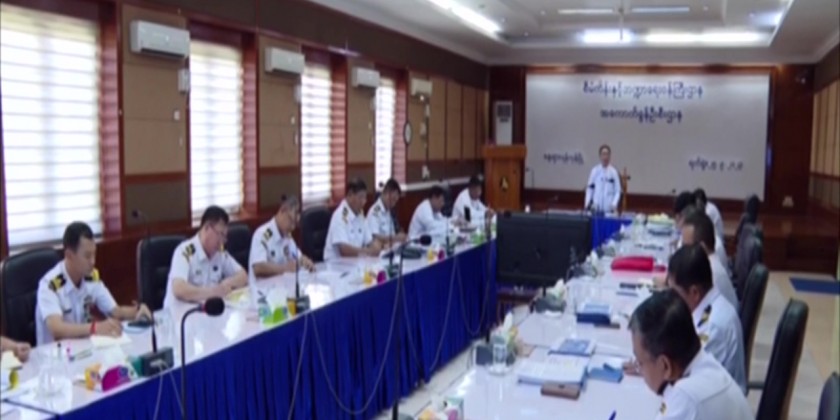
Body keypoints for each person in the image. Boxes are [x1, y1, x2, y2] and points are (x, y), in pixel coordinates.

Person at [629, 289, 752, 420]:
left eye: (640, 363)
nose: (639, 369)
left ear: (665, 366)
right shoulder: (704, 364)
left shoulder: (687, 399)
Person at [35, 222, 151, 344]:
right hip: (53, 353)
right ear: (69, 255)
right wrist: (94, 328)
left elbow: (115, 311)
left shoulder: (90, 277)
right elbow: (56, 329)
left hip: (82, 348)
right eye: (87, 256)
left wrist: (137, 310)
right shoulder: (50, 285)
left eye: (94, 254)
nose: (93, 261)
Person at [666, 245, 747, 393]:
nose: (672, 299)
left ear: (694, 292)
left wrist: (652, 366)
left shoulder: (713, 326)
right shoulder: (708, 305)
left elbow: (688, 378)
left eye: (675, 293)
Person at [164, 206, 247, 307]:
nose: (222, 242)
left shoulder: (219, 253)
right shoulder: (185, 251)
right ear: (207, 228)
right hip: (179, 313)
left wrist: (226, 284)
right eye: (220, 234)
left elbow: (243, 276)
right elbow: (179, 289)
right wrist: (214, 292)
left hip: (204, 312)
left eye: (224, 237)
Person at [248, 195, 315, 287]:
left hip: (282, 289)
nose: (293, 228)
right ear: (282, 210)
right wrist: (285, 268)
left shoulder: (287, 236)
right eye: (291, 221)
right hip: (262, 291)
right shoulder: (263, 235)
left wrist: (305, 262)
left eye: (295, 224)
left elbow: (297, 257)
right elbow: (258, 268)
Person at [681, 211, 738, 310]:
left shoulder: (711, 274)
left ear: (701, 248)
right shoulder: (709, 264)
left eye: (686, 247)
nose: (682, 251)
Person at [324, 179, 382, 260]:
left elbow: (370, 241)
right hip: (336, 264)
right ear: (350, 195)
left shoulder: (360, 216)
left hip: (354, 262)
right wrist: (369, 252)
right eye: (360, 197)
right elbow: (344, 250)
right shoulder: (341, 216)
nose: (363, 202)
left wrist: (376, 247)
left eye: (365, 198)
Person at [366, 178, 407, 244]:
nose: (394, 204)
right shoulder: (375, 211)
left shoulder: (388, 211)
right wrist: (396, 238)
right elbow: (374, 237)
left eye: (396, 201)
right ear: (387, 193)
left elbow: (392, 233)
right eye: (393, 199)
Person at [584, 144, 621, 213]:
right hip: (596, 209)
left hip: (609, 209)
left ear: (609, 156)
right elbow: (589, 189)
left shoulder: (614, 172)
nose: (605, 157)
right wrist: (587, 205)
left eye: (607, 154)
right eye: (603, 154)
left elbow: (618, 191)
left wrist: (614, 204)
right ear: (600, 156)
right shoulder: (595, 171)